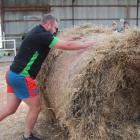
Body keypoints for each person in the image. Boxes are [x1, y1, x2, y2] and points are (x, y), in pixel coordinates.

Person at [0, 14, 96, 140]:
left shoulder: (38, 31)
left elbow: (59, 39)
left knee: (10, 109)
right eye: (55, 27)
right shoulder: (42, 35)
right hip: (22, 77)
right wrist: (88, 45)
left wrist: (72, 37)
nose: (56, 30)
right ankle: (27, 136)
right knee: (36, 107)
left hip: (12, 74)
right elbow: (65, 46)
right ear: (49, 24)